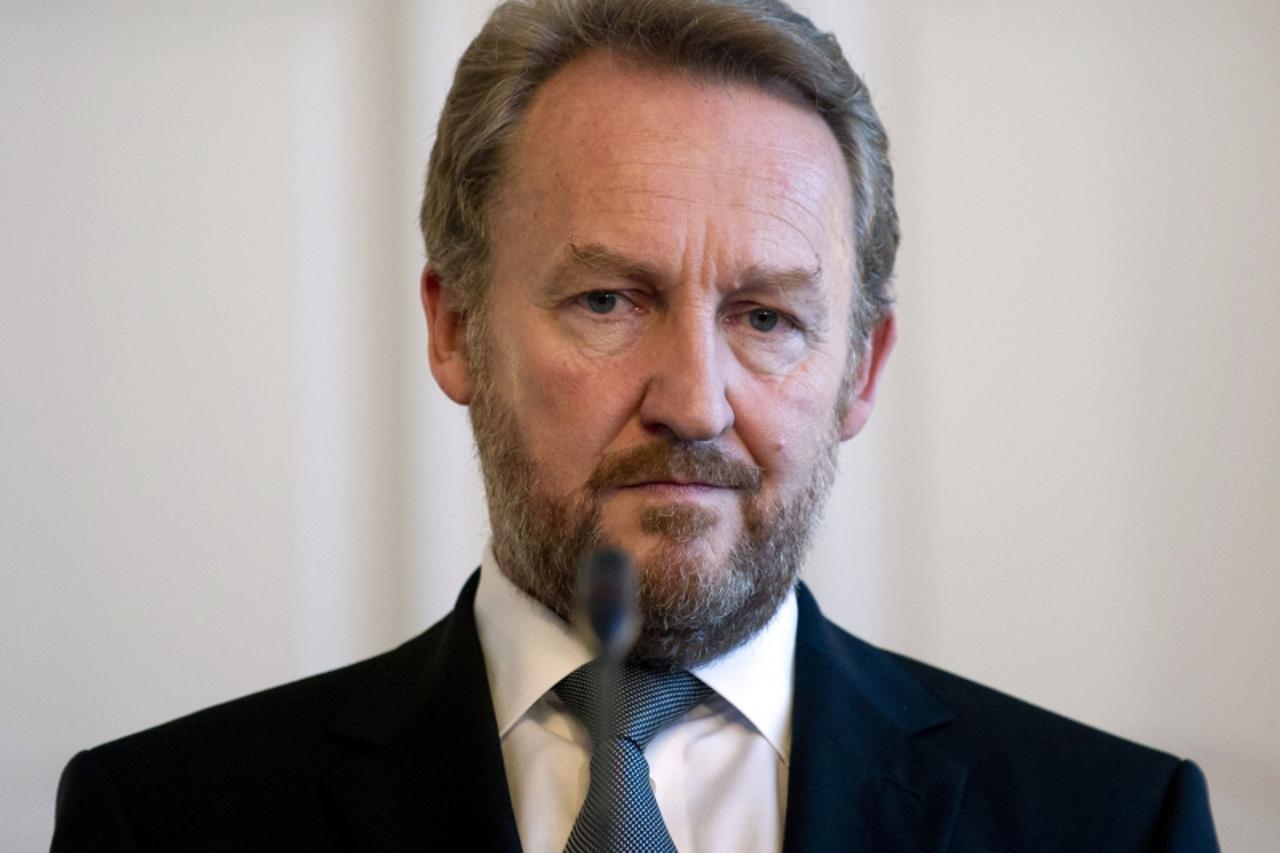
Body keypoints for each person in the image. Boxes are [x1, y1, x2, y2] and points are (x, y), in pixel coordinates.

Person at [51, 1, 1219, 850]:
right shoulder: (163, 819)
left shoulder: (1112, 822)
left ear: (860, 369)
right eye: (608, 299)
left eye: (765, 316)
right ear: (454, 329)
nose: (693, 403)